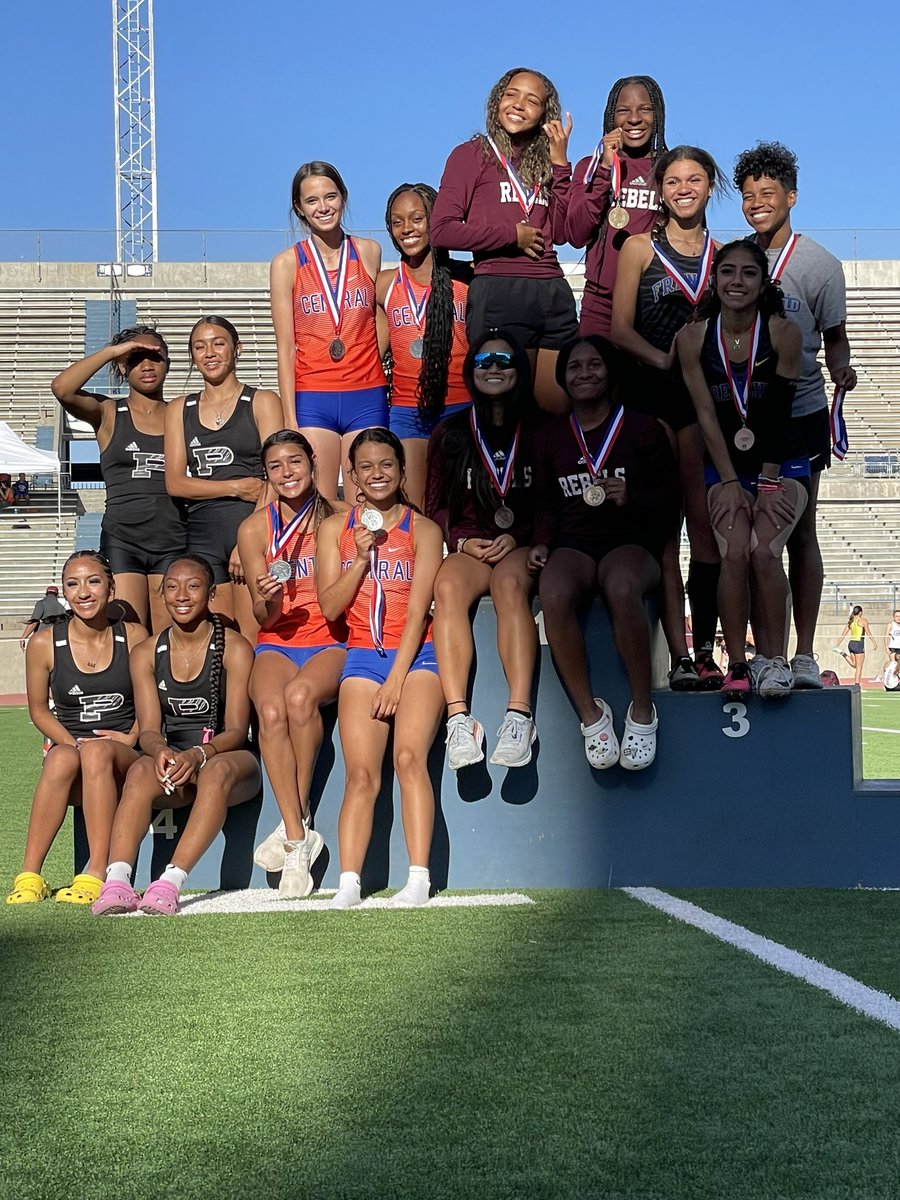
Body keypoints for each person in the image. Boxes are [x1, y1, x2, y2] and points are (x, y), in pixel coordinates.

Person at [735, 141, 857, 689]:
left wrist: (843, 371)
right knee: (752, 538)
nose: (757, 202)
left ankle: (804, 654)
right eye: (747, 194)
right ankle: (767, 655)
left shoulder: (821, 265)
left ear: (791, 197)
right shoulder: (736, 258)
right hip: (743, 413)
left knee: (800, 533)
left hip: (801, 414)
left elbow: (835, 340)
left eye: (767, 192)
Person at [528, 337, 680, 769]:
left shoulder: (643, 428)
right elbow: (544, 503)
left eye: (595, 364)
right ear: (564, 380)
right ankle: (591, 717)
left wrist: (632, 495)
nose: (584, 373)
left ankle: (642, 709)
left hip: (631, 543)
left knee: (622, 585)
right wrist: (541, 542)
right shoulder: (552, 436)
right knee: (553, 592)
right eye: (574, 367)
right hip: (574, 544)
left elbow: (672, 498)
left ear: (610, 373)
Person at [611, 145, 729, 690]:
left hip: (704, 407)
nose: (684, 188)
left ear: (711, 186)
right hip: (649, 398)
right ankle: (678, 657)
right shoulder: (639, 246)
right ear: (660, 189)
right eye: (674, 180)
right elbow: (619, 328)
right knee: (663, 532)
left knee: (706, 533)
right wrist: (665, 359)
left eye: (695, 179)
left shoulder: (725, 256)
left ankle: (706, 651)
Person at [316, 428, 444, 909]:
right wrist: (361, 558)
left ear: (402, 470)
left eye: (386, 465)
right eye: (366, 466)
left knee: (409, 759)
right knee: (361, 774)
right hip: (363, 656)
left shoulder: (424, 530)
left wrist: (396, 680)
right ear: (351, 474)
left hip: (416, 657)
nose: (377, 474)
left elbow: (417, 612)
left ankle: (418, 879)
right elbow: (330, 607)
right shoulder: (335, 530)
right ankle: (348, 882)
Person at [92, 556, 261, 916]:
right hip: (177, 761)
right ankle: (118, 881)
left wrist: (199, 754)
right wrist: (162, 752)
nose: (181, 595)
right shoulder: (146, 653)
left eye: (193, 586)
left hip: (227, 760)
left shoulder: (234, 647)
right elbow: (149, 729)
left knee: (215, 772)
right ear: (162, 594)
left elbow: (236, 730)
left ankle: (170, 882)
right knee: (140, 771)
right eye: (172, 587)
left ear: (212, 593)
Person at [679, 241, 806, 699]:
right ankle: (736, 662)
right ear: (714, 280)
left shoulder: (783, 332)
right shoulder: (693, 338)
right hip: (726, 468)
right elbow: (706, 415)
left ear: (762, 282)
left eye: (748, 273)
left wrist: (769, 478)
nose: (737, 281)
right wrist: (730, 480)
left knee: (764, 551)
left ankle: (774, 660)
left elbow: (779, 414)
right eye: (727, 272)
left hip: (782, 461)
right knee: (733, 551)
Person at [237, 430, 348, 898]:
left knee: (301, 698)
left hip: (330, 639)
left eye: (295, 462)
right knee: (270, 711)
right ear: (267, 473)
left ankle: (293, 825)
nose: (287, 473)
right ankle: (299, 834)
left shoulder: (342, 517)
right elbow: (264, 618)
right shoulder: (253, 529)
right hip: (278, 641)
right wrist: (269, 599)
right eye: (276, 466)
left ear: (313, 463)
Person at [430, 67, 578, 413]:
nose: (519, 105)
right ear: (497, 99)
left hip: (553, 291)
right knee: (509, 412)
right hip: (499, 290)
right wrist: (511, 236)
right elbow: (442, 230)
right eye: (512, 94)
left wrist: (560, 164)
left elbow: (568, 230)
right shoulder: (470, 155)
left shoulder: (546, 160)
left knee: (556, 414)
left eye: (532, 100)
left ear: (546, 113)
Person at [426, 331, 540, 769]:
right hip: (470, 542)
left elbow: (552, 498)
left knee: (510, 584)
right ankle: (459, 719)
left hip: (521, 542)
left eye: (504, 360)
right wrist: (459, 540)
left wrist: (523, 534)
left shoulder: (541, 426)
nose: (494, 367)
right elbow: (433, 504)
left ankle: (518, 715)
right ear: (471, 370)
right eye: (484, 361)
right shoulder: (451, 433)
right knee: (448, 585)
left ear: (520, 369)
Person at [7, 551, 147, 905]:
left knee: (98, 751)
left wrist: (131, 736)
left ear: (111, 588)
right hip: (73, 749)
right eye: (73, 584)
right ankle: (30, 875)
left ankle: (96, 870)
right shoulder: (43, 642)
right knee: (60, 760)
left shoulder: (132, 635)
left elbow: (150, 703)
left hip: (123, 755)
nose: (83, 592)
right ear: (64, 593)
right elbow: (39, 710)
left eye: (93, 581)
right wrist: (71, 744)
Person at [50, 327, 185, 631]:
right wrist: (113, 351)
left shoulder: (183, 414)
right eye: (136, 358)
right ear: (123, 366)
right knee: (131, 633)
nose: (147, 366)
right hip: (124, 540)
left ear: (168, 362)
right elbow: (62, 388)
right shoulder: (110, 412)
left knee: (169, 638)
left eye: (155, 357)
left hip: (174, 537)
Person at [270, 161, 387, 499]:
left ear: (344, 197)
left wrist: (369, 360)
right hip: (313, 397)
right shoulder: (286, 264)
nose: (323, 207)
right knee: (318, 502)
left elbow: (380, 317)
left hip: (366, 395)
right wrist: (290, 420)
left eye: (330, 196)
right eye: (312, 201)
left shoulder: (369, 251)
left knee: (365, 502)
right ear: (299, 208)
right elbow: (286, 348)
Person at [164, 316, 282, 640]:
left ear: (237, 349)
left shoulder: (262, 401)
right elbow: (175, 482)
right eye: (199, 346)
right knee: (220, 640)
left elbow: (276, 476)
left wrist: (249, 539)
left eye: (218, 343)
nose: (210, 352)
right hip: (201, 534)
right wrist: (236, 486)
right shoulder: (179, 409)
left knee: (255, 636)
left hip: (252, 525)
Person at [376, 182, 472, 508]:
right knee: (417, 510)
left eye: (417, 218)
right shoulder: (385, 284)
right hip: (407, 412)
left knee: (460, 509)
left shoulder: (466, 278)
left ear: (435, 219)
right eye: (397, 221)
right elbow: (373, 353)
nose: (407, 229)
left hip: (462, 408)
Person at [561, 75, 668, 339]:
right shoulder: (591, 166)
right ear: (611, 117)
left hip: (655, 304)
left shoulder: (671, 168)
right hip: (600, 306)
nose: (634, 118)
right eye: (623, 111)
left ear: (658, 116)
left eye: (645, 109)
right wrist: (605, 170)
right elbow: (576, 235)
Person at [19, 585, 67, 650]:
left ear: (46, 594)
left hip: (42, 637)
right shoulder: (62, 607)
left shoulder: (41, 603)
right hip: (56, 639)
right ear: (57, 595)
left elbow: (34, 622)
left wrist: (23, 637)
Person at [834, 605, 871, 687]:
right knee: (859, 667)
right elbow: (868, 632)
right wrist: (874, 642)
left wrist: (837, 644)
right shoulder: (863, 621)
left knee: (854, 665)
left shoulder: (851, 621)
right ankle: (857, 685)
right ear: (860, 612)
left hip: (851, 644)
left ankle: (842, 653)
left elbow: (843, 634)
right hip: (858, 644)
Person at [883, 610, 900, 680]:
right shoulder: (891, 625)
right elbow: (885, 637)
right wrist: (886, 648)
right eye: (896, 616)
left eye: (899, 616)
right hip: (893, 648)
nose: (898, 618)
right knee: (893, 665)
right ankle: (888, 679)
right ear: (893, 617)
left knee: (898, 667)